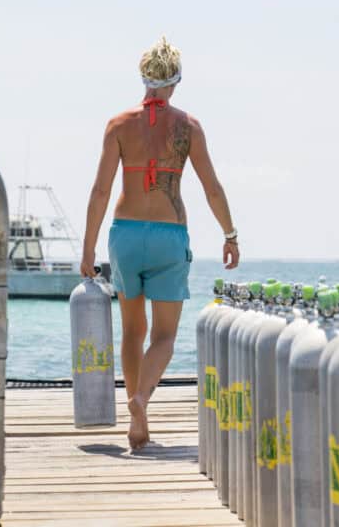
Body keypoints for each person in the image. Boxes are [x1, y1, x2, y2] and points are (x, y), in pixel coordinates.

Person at [81, 36, 240, 450]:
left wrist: (87, 250)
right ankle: (141, 399)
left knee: (133, 331)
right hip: (170, 236)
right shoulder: (188, 127)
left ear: (143, 76)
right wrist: (230, 234)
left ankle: (138, 424)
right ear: (176, 80)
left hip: (125, 234)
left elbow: (100, 191)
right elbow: (212, 188)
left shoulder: (117, 125)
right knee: (165, 337)